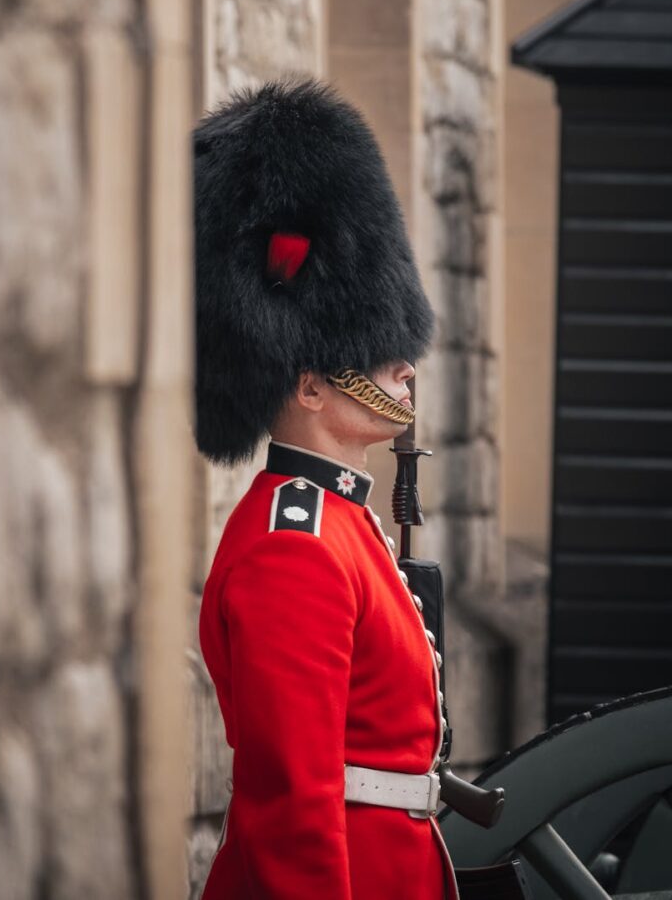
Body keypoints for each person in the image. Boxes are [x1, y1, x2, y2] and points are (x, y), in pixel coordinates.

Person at [193, 77, 459, 900]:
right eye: (379, 352)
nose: (403, 366)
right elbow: (291, 809)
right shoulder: (293, 546)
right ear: (309, 385)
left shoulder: (342, 523)